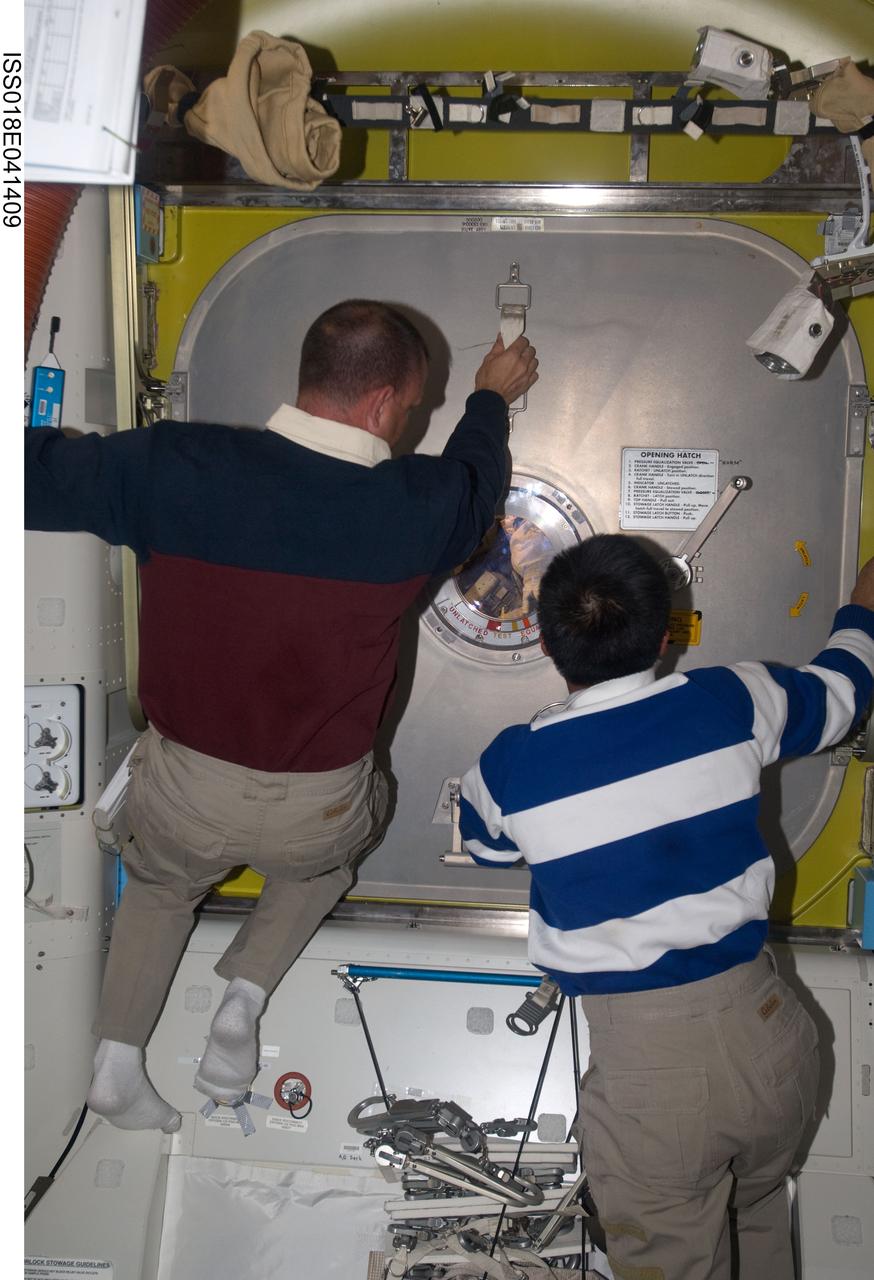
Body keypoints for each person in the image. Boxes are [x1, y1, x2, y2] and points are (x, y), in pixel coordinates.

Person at [25, 299, 538, 1133]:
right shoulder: (419, 506)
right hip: (319, 808)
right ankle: (243, 996)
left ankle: (117, 1063)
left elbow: (29, 474)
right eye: (410, 409)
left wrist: (80, 456)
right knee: (327, 865)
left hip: (187, 793)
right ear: (383, 405)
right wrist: (489, 396)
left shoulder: (170, 464)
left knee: (160, 885)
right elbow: (478, 477)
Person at [459, 533, 874, 1280]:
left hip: (652, 1074)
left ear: (547, 644)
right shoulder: (733, 698)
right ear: (663, 635)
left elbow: (486, 846)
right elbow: (844, 690)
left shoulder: (510, 764)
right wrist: (865, 598)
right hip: (770, 1035)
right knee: (756, 1224)